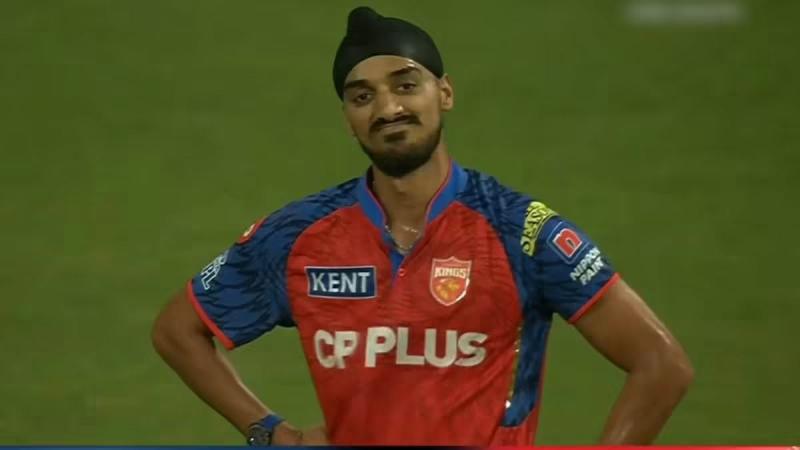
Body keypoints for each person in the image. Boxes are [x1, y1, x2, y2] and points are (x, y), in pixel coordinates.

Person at [152, 6, 693, 446]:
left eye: (406, 85)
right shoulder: (299, 237)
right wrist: (269, 432)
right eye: (362, 97)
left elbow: (660, 364)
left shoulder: (521, 232)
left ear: (445, 93)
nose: (387, 109)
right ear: (348, 120)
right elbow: (179, 331)